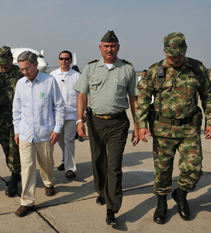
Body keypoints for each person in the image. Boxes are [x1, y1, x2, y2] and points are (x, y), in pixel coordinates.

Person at [136, 32, 211, 224]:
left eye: (179, 55)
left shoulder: (197, 69)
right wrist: (140, 125)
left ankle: (180, 194)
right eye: (172, 55)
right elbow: (142, 99)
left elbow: (208, 95)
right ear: (164, 52)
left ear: (185, 50)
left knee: (194, 170)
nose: (176, 59)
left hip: (189, 129)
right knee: (162, 171)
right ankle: (162, 202)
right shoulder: (155, 71)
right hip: (163, 129)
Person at [74, 31, 139, 225]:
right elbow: (82, 96)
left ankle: (112, 209)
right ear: (100, 48)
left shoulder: (127, 69)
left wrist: (138, 126)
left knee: (114, 165)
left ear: (118, 47)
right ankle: (102, 191)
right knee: (98, 160)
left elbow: (133, 99)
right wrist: (79, 121)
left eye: (113, 46)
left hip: (118, 123)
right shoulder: (90, 67)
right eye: (106, 46)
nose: (109, 49)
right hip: (95, 122)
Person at [13, 51, 65, 217]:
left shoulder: (49, 81)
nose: (25, 72)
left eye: (27, 68)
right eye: (21, 69)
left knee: (47, 163)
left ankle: (49, 182)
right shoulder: (20, 84)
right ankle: (27, 201)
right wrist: (17, 130)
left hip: (45, 133)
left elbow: (59, 107)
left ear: (36, 65)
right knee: (27, 167)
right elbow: (17, 110)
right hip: (26, 133)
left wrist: (57, 129)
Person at [0, 46, 23, 197]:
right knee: (6, 148)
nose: (3, 66)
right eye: (0, 63)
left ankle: (15, 177)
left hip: (19, 118)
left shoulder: (20, 73)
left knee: (14, 148)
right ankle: (15, 171)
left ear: (11, 60)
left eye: (5, 62)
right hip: (1, 118)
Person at [50, 50, 80, 178]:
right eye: (62, 58)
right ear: (58, 60)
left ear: (71, 61)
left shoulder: (77, 76)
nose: (64, 61)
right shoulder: (52, 75)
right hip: (56, 115)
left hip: (72, 114)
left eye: (67, 59)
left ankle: (70, 168)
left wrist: (82, 114)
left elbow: (82, 96)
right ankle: (65, 159)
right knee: (60, 141)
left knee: (69, 140)